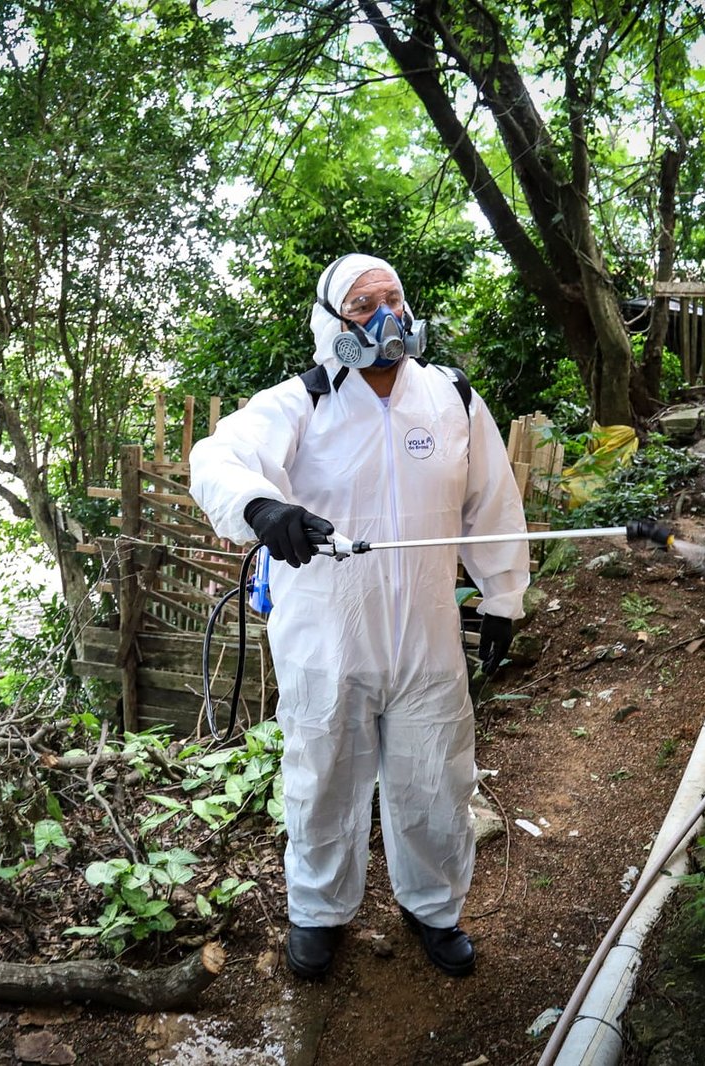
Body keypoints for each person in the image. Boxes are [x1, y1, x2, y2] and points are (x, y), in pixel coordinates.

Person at [189, 253, 529, 979]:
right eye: (362, 305)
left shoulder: (452, 397)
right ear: (331, 321)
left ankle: (433, 908)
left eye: (393, 299)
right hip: (325, 637)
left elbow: (491, 500)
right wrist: (263, 507)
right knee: (321, 778)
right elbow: (217, 457)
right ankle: (318, 913)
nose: (384, 317)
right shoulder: (300, 403)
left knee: (437, 776)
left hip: (428, 634)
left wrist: (501, 595)